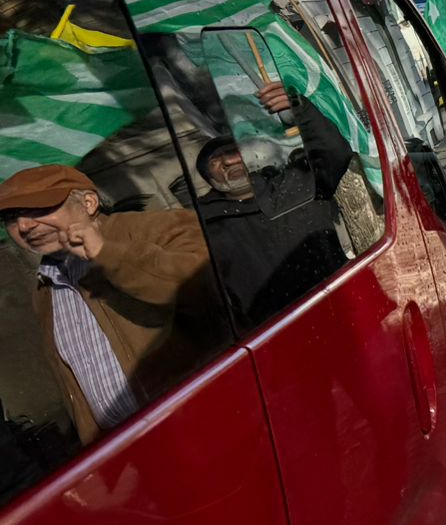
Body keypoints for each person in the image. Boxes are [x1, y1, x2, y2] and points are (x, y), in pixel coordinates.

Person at [0, 164, 215, 446]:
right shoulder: (45, 287)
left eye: (38, 209)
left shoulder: (159, 227)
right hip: (128, 449)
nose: (25, 226)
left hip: (203, 424)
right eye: (12, 219)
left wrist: (105, 253)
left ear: (89, 203)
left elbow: (204, 286)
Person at [194, 79, 356, 312]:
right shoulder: (204, 223)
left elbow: (335, 151)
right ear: (208, 179)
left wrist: (299, 108)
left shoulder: (296, 182)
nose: (229, 161)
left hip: (344, 303)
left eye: (231, 152)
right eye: (215, 162)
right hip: (275, 335)